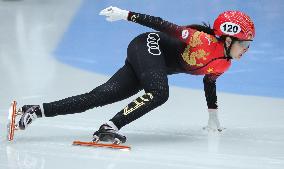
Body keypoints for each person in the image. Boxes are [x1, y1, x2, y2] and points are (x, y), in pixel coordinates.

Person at [17, 6, 255, 144]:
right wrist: (126, 14)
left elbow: (209, 82)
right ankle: (109, 126)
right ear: (228, 38)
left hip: (152, 63)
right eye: (244, 44)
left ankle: (35, 110)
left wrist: (213, 116)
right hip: (148, 46)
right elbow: (163, 25)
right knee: (160, 92)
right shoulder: (200, 39)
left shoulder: (224, 65)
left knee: (101, 95)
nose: (246, 50)